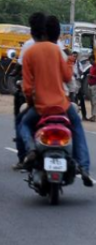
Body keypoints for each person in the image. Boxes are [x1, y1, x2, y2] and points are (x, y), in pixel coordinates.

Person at [17, 14, 93, 187]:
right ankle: (84, 167)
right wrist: (68, 63)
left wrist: (31, 103)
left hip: (40, 108)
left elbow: (27, 89)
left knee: (24, 124)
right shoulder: (56, 51)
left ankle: (30, 151)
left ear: (33, 33)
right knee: (78, 128)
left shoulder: (29, 53)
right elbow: (67, 77)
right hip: (62, 106)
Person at [11, 12, 45, 171]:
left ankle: (23, 155)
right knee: (75, 124)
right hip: (59, 101)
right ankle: (81, 162)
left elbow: (20, 69)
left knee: (21, 121)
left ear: (31, 30)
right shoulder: (58, 47)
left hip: (36, 100)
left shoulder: (28, 47)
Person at [80, 56, 96, 122]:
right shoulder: (91, 67)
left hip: (94, 85)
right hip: (90, 85)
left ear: (93, 60)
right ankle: (92, 115)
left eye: (91, 61)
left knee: (94, 101)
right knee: (91, 101)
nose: (90, 62)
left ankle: (94, 116)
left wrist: (91, 76)